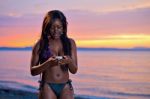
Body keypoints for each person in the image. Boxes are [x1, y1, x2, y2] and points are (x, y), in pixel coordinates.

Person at [30, 10, 78, 99]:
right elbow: (33, 71)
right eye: (52, 27)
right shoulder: (40, 44)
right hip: (47, 86)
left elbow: (74, 70)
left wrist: (69, 61)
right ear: (47, 27)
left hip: (66, 86)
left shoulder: (70, 43)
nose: (56, 30)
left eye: (59, 27)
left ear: (64, 27)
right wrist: (48, 64)